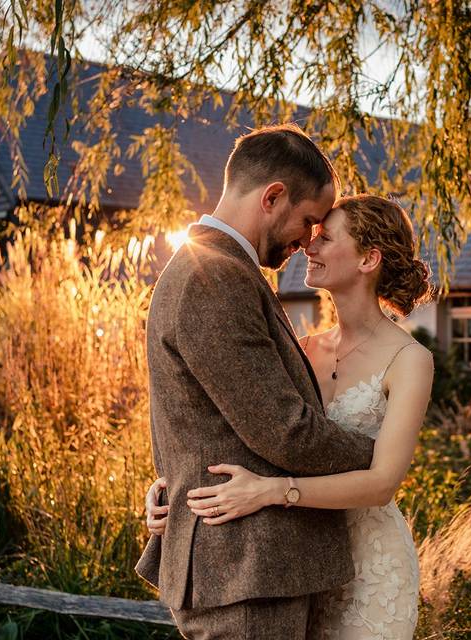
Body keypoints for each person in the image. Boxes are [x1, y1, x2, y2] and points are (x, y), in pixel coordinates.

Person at [145, 193, 435, 639]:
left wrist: (273, 492)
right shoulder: (303, 348)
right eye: (310, 235)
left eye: (325, 238)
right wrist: (172, 490)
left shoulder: (410, 359)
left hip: (371, 567)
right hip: (301, 558)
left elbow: (382, 483)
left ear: (368, 259)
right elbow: (243, 428)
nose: (308, 247)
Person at [136, 123, 381, 639]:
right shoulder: (214, 277)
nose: (308, 240)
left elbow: (197, 417)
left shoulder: (216, 270)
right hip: (245, 569)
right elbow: (284, 429)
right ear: (273, 197)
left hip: (248, 570)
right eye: (309, 220)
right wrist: (381, 459)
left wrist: (175, 484)